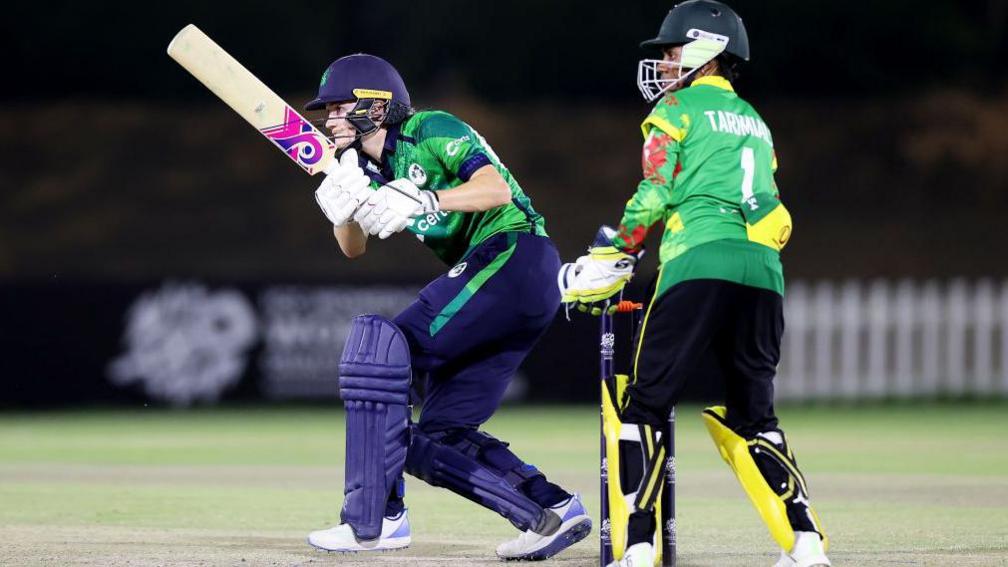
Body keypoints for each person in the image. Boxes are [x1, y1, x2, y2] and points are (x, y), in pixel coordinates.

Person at [558, 2, 830, 566]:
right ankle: (805, 542)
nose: (663, 61)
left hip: (696, 262)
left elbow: (656, 189)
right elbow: (772, 209)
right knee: (756, 414)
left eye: (672, 50)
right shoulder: (755, 119)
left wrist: (620, 249)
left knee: (647, 406)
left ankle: (638, 547)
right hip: (763, 270)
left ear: (708, 50)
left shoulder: (676, 109)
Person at [302, 53, 590, 561]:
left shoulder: (429, 127)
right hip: (509, 288)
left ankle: (376, 519)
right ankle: (550, 510)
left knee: (381, 353)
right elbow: (353, 248)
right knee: (438, 436)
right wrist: (341, 210)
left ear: (378, 103)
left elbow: (495, 188)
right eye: (327, 110)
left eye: (341, 106)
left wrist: (425, 199)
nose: (330, 118)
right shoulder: (362, 166)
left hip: (513, 255)